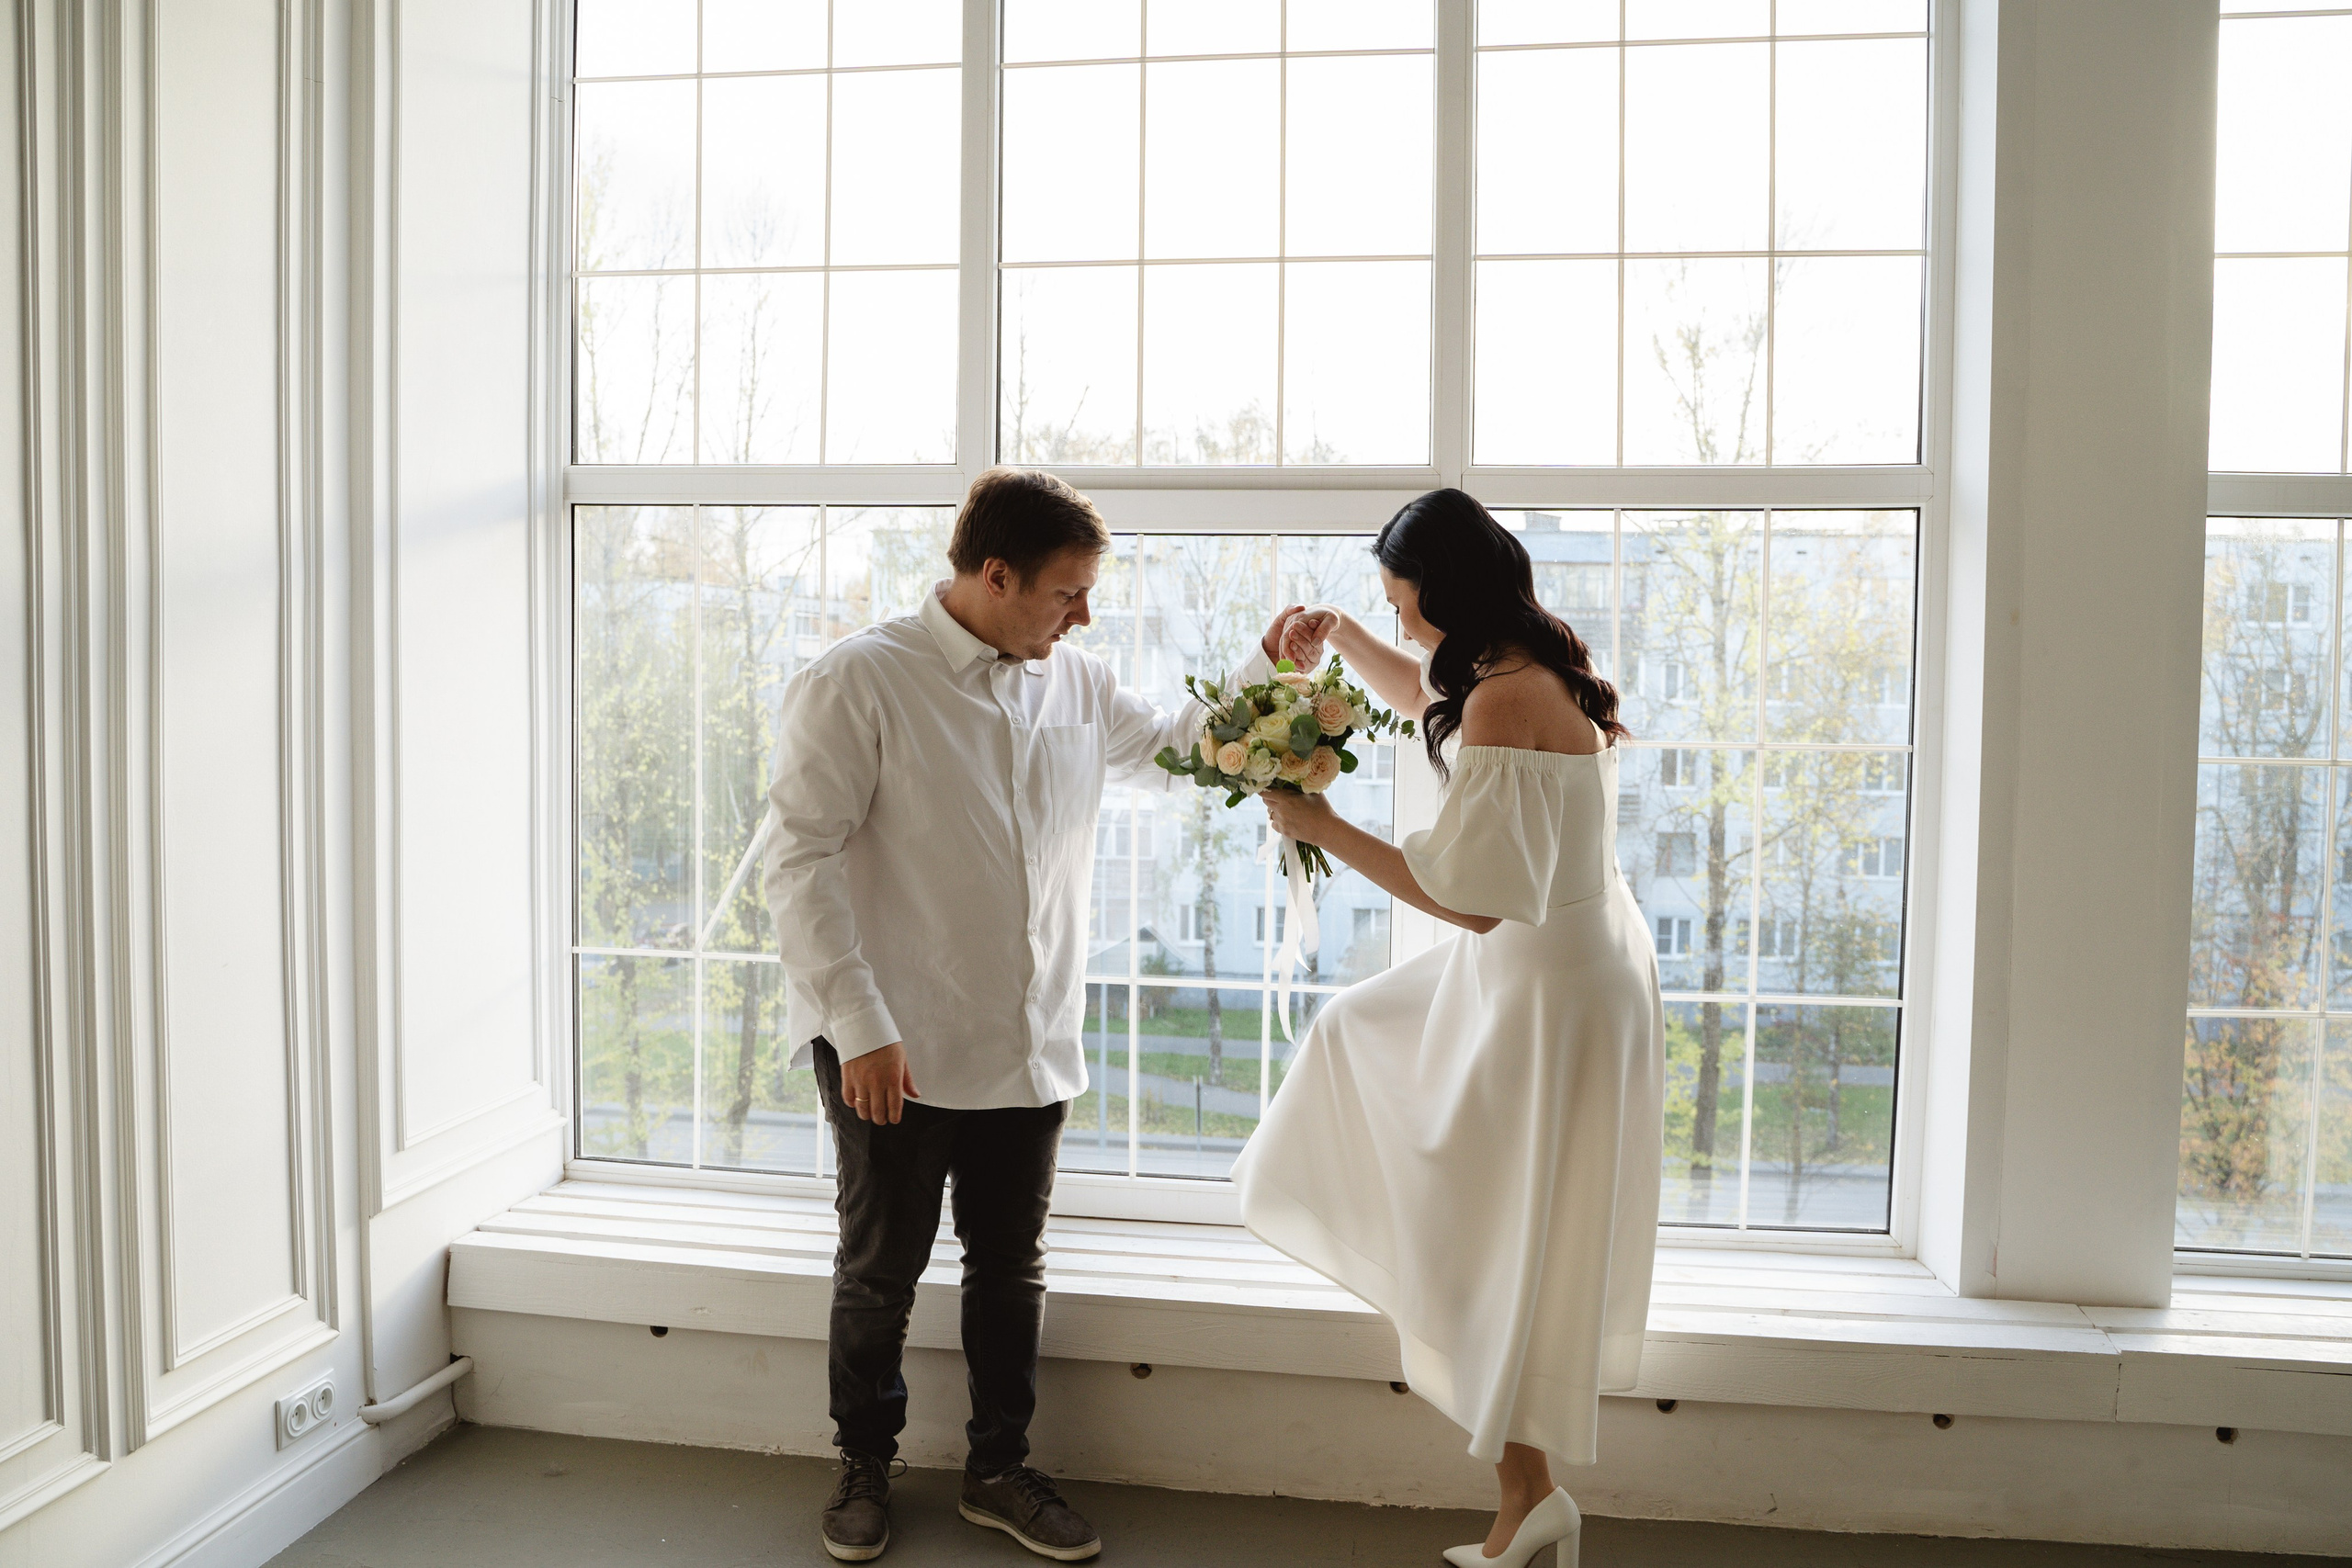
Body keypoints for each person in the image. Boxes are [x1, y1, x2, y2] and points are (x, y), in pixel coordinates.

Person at [763, 468, 1303, 1563]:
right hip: (893, 1045)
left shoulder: (1078, 682)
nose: (1085, 614)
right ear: (994, 575)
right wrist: (858, 1021)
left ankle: (998, 1469)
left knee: (1010, 1269)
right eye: (1067, 592)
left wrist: (1265, 665)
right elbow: (797, 861)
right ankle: (864, 1461)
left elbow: (1185, 752)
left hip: (1030, 1040)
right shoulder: (859, 680)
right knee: (880, 1270)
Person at [1232, 488, 1667, 1568]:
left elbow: (1469, 898)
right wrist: (1343, 640)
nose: (1400, 615)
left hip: (1543, 978)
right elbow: (1419, 676)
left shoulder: (1503, 699)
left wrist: (1325, 827)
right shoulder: (1515, 661)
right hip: (1553, 957)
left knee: (1496, 1230)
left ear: (1450, 586)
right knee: (1381, 1074)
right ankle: (1530, 1499)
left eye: (1404, 597)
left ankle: (1528, 1497)